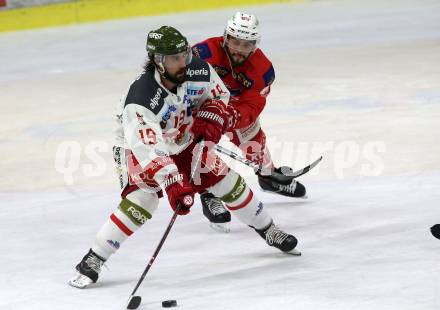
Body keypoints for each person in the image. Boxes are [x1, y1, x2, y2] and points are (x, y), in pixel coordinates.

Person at [69, 26, 300, 289]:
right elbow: (149, 149)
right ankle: (94, 257)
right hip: (137, 148)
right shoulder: (141, 100)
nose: (184, 63)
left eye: (184, 55)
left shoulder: (198, 69)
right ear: (158, 61)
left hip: (183, 139)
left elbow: (220, 95)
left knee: (225, 180)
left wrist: (212, 115)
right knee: (142, 200)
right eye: (175, 58)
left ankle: (268, 229)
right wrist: (174, 183)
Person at [192, 12, 307, 232]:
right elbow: (178, 81)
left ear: (254, 45)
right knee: (196, 146)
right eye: (235, 41)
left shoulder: (263, 69)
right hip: (199, 105)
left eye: (246, 45)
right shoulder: (203, 52)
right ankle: (207, 192)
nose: (238, 49)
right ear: (226, 37)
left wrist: (229, 118)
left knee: (252, 136)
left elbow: (253, 106)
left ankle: (267, 176)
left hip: (234, 108)